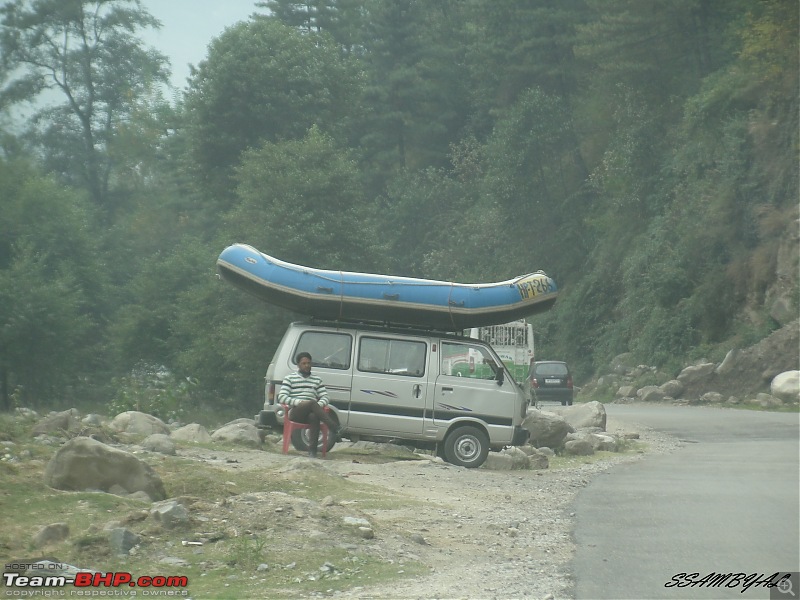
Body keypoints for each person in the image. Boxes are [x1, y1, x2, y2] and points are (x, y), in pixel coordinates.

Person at [278, 352, 339, 457]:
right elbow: (282, 397)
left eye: (309, 363)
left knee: (314, 416)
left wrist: (318, 405)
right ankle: (333, 427)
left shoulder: (316, 380)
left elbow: (325, 397)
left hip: (311, 411)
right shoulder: (290, 378)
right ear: (298, 365)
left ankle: (312, 451)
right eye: (304, 363)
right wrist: (298, 402)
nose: (307, 365)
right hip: (296, 412)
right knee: (311, 402)